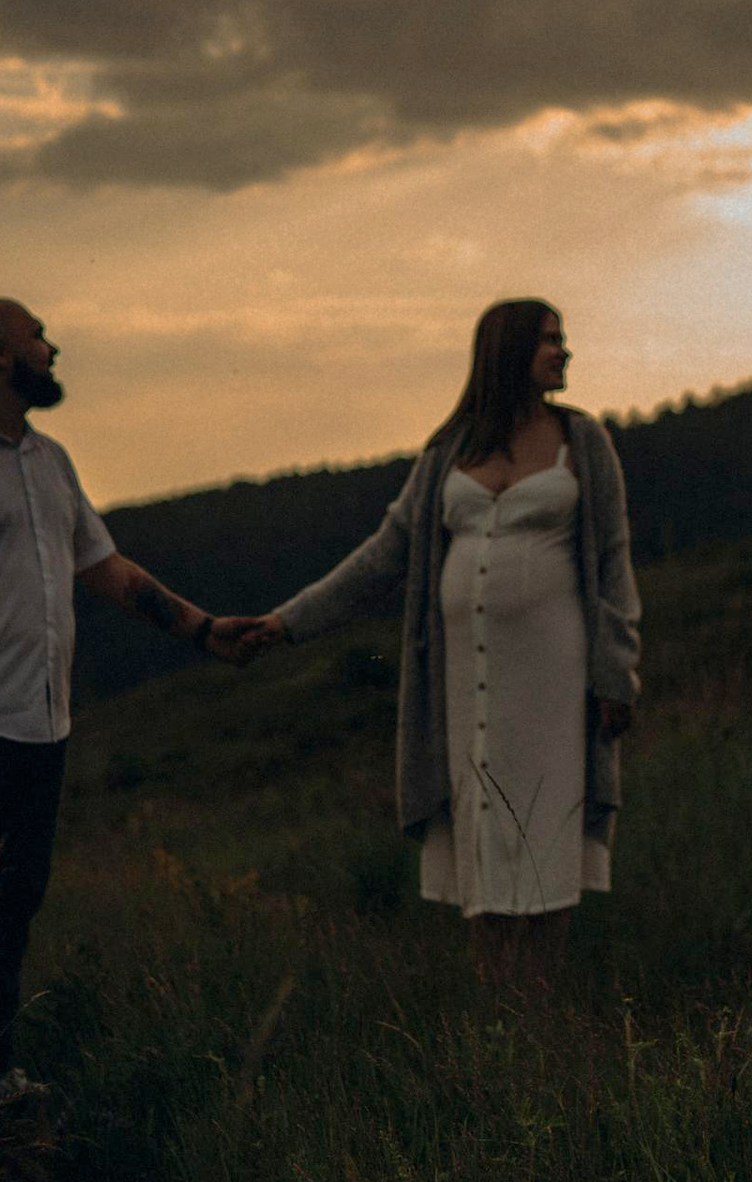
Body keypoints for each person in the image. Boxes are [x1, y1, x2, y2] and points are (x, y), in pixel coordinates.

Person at [0, 294, 236, 1125]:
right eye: (37, 335)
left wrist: (202, 629)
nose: (52, 347)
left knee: (12, 905)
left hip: (42, 727)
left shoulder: (50, 461)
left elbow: (106, 570)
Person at [229, 300, 639, 953]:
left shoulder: (582, 442)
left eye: (563, 340)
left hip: (553, 679)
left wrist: (616, 672)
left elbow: (614, 562)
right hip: (467, 680)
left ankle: (540, 1009)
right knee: (478, 829)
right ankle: (495, 1014)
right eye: (549, 341)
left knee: (548, 835)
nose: (564, 352)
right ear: (507, 351)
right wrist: (287, 622)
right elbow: (383, 555)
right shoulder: (450, 451)